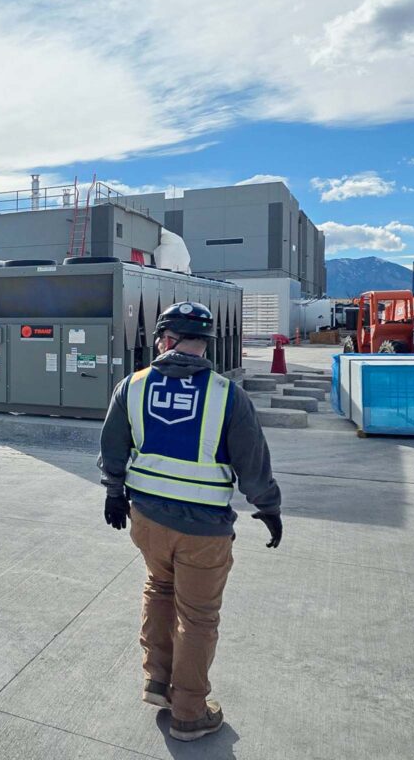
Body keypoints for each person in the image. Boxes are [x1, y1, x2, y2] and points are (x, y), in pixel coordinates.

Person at [97, 301, 282, 742]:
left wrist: (112, 492)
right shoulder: (226, 394)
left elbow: (113, 444)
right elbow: (252, 459)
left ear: (165, 340)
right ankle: (189, 714)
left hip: (147, 519)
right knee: (197, 618)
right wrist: (268, 506)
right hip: (204, 531)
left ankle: (158, 682)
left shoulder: (133, 385)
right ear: (203, 343)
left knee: (159, 590)